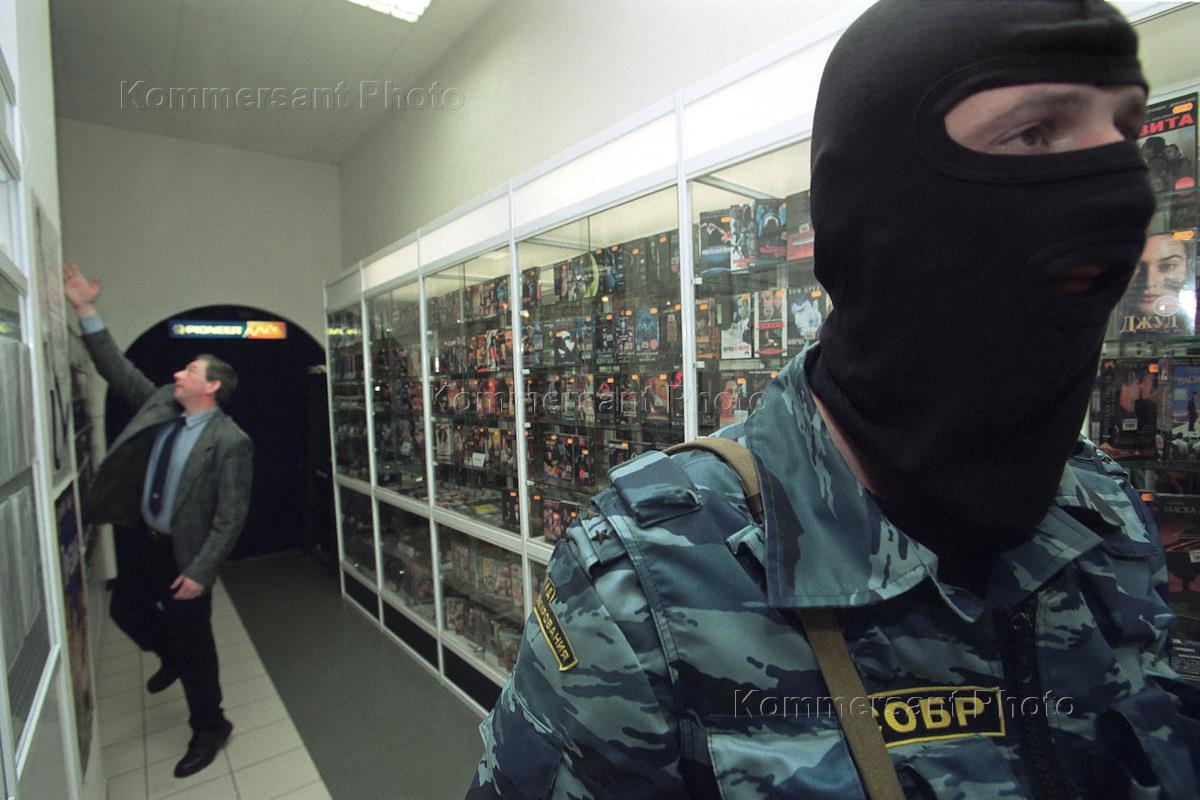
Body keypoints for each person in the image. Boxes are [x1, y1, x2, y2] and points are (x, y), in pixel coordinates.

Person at [469, 1, 1200, 799]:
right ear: (871, 205)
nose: (1121, 191)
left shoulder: (1108, 513)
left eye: (1127, 130)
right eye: (1033, 133)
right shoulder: (646, 579)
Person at [62, 262, 253, 779]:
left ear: (211, 386)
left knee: (197, 644)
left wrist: (201, 572)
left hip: (185, 555)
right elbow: (116, 368)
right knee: (126, 609)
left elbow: (231, 516)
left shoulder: (230, 442)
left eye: (189, 371)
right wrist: (86, 310)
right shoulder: (161, 406)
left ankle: (210, 725)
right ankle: (169, 653)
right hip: (144, 541)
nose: (177, 376)